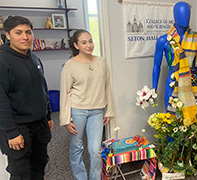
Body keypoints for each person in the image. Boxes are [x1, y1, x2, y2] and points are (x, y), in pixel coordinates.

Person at [0, 16, 54, 180]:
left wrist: (48, 115)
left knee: (39, 165)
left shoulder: (34, 58)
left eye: (28, 32)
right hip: (18, 128)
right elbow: (1, 100)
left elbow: (42, 88)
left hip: (39, 124)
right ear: (8, 35)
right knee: (21, 173)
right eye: (19, 33)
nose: (25, 37)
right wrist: (11, 132)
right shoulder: (2, 60)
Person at [60, 29, 115, 180]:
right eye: (84, 42)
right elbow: (64, 93)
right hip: (77, 110)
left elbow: (107, 86)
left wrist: (109, 110)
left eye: (90, 41)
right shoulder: (70, 65)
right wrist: (65, 119)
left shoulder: (101, 62)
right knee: (77, 147)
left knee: (95, 150)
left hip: (97, 111)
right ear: (76, 45)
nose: (89, 45)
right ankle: (81, 177)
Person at [152, 1, 197, 120]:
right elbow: (156, 66)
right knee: (171, 121)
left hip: (192, 84)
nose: (185, 17)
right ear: (175, 16)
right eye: (181, 14)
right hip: (172, 85)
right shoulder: (164, 40)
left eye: (187, 14)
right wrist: (153, 89)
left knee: (189, 122)